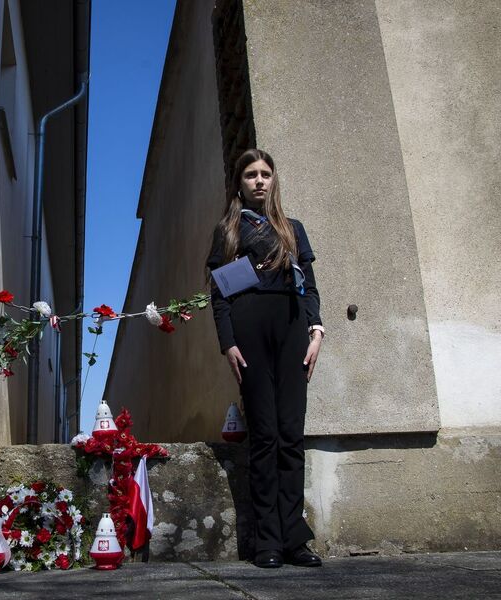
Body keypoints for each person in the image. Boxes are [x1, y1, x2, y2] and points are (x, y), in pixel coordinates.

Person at [207, 149, 324, 569]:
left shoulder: (293, 229)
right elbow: (218, 294)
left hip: (292, 332)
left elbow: (308, 284)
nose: (259, 181)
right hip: (250, 333)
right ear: (239, 183)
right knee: (266, 436)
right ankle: (267, 542)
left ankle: (295, 538)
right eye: (251, 175)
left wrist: (316, 330)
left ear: (274, 180)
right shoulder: (228, 231)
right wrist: (228, 342)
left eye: (265, 174)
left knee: (292, 433)